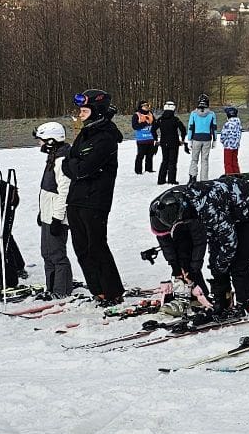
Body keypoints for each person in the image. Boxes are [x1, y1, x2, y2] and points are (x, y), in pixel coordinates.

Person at [149, 179, 249, 320]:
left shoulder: (206, 206)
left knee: (238, 261)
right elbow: (167, 241)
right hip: (226, 213)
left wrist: (219, 266)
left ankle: (246, 303)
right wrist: (177, 267)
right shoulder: (158, 209)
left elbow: (228, 241)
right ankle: (223, 299)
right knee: (215, 260)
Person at [63, 89, 125, 302]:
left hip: (96, 200)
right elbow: (68, 163)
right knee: (81, 247)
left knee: (96, 246)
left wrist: (74, 165)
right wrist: (74, 165)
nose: (80, 114)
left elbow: (83, 168)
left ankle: (112, 290)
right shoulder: (85, 132)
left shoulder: (106, 136)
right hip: (76, 198)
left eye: (84, 110)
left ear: (96, 110)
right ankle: (97, 289)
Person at [33, 121, 78, 297]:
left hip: (56, 215)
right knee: (47, 253)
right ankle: (51, 288)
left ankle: (62, 291)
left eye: (42, 139)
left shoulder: (61, 159)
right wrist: (42, 213)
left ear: (51, 140)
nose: (40, 143)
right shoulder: (53, 156)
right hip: (48, 213)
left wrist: (57, 218)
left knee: (57, 254)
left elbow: (64, 192)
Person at [187, 95, 218, 182]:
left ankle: (192, 177)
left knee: (194, 159)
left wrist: (189, 139)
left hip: (196, 138)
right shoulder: (211, 114)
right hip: (207, 139)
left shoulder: (193, 113)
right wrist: (215, 140)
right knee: (205, 160)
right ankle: (204, 179)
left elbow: (190, 127)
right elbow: (214, 128)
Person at [155, 100, 186, 185]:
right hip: (174, 142)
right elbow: (183, 129)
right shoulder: (175, 119)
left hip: (163, 142)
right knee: (172, 161)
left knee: (165, 160)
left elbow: (152, 129)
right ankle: (171, 180)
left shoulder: (160, 119)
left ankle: (161, 180)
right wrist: (182, 139)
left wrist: (156, 139)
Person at [131, 101, 157, 175]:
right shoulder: (136, 115)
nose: (146, 107)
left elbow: (155, 123)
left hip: (150, 138)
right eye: (144, 105)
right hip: (141, 139)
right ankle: (138, 171)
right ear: (140, 106)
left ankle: (149, 169)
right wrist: (145, 123)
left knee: (150, 155)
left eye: (147, 105)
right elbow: (135, 126)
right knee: (140, 156)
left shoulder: (150, 113)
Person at [220, 105, 244, 176]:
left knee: (228, 163)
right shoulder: (238, 124)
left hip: (228, 146)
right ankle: (237, 176)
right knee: (234, 162)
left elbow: (223, 136)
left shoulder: (228, 124)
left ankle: (230, 177)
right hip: (236, 146)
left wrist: (222, 141)